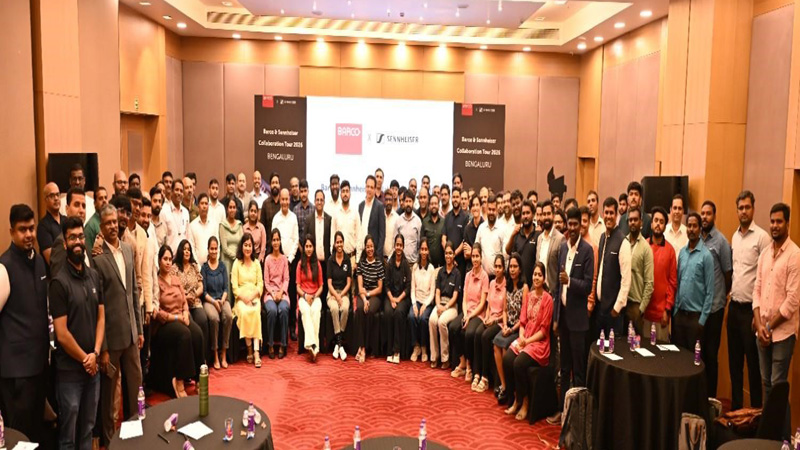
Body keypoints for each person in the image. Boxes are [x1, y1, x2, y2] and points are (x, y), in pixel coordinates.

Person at [93, 204, 143, 445]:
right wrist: (102, 348)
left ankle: (134, 433)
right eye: (108, 223)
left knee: (135, 385)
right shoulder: (97, 259)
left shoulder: (128, 250)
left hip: (131, 334)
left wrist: (139, 329)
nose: (113, 226)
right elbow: (97, 307)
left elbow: (133, 292)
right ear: (101, 228)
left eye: (115, 221)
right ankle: (109, 440)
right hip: (111, 340)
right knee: (109, 393)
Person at [0, 205, 49, 441]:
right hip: (16, 373)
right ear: (11, 231)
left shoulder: (39, 261)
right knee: (19, 436)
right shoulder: (4, 267)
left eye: (31, 228)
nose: (28, 234)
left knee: (36, 433)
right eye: (22, 229)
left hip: (39, 366)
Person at [753, 203, 799, 428]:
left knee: (778, 387)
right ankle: (768, 436)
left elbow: (792, 301)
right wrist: (759, 324)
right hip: (762, 331)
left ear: (787, 224)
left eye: (779, 221)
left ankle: (784, 439)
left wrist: (768, 327)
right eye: (772, 221)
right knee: (767, 385)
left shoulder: (795, 255)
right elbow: (756, 290)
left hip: (782, 335)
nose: (774, 225)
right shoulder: (764, 254)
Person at [548, 207, 594, 425]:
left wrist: (570, 281)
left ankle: (578, 417)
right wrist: (556, 318)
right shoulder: (564, 248)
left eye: (576, 224)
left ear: (581, 226)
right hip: (564, 319)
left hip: (578, 322)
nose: (573, 228)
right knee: (564, 368)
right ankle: (563, 411)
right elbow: (558, 287)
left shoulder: (587, 251)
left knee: (578, 370)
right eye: (570, 224)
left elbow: (587, 286)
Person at [728, 191, 770, 410]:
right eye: (740, 208)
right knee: (734, 365)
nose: (743, 211)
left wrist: (759, 314)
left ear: (753, 209)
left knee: (753, 367)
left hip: (751, 314)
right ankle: (736, 413)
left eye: (747, 207)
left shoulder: (762, 238)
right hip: (734, 308)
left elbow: (766, 277)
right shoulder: (734, 237)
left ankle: (754, 415)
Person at [503, 262, 554, 420]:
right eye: (534, 274)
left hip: (539, 343)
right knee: (507, 359)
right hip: (525, 338)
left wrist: (527, 341)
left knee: (518, 363)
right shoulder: (529, 296)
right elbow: (523, 322)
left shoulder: (548, 300)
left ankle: (524, 401)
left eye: (539, 275)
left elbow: (544, 332)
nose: (536, 278)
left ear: (544, 278)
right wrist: (522, 337)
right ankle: (515, 398)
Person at [151, 245, 204, 397]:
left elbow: (184, 301)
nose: (168, 262)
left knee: (197, 333)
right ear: (159, 261)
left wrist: (186, 313)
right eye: (165, 259)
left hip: (181, 317)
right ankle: (179, 381)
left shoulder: (175, 279)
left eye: (170, 259)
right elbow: (157, 312)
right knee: (185, 334)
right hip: (165, 323)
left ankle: (199, 379)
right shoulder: (157, 282)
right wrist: (177, 317)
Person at [700, 200, 732, 398]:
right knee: (699, 354)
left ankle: (710, 399)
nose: (704, 217)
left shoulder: (721, 242)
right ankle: (699, 396)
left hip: (714, 308)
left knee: (711, 356)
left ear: (714, 216)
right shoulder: (696, 239)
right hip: (698, 308)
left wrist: (721, 296)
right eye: (702, 213)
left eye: (708, 213)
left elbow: (728, 274)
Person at [673, 213, 714, 350]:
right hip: (680, 316)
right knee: (678, 356)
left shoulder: (706, 256)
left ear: (700, 229)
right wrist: (675, 311)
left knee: (692, 359)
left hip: (695, 318)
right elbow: (678, 282)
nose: (691, 229)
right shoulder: (682, 253)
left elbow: (710, 292)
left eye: (694, 226)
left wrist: (702, 320)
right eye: (689, 226)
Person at [493, 253, 527, 405]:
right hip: (508, 326)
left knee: (505, 347)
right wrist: (505, 325)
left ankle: (510, 389)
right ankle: (504, 385)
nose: (512, 269)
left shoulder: (524, 288)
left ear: (520, 269)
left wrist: (512, 329)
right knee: (496, 344)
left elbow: (524, 316)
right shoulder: (507, 286)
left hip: (519, 328)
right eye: (511, 266)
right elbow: (505, 311)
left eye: (515, 267)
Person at [595, 197, 631, 337]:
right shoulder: (602, 238)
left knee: (612, 349)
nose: (608, 216)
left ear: (616, 215)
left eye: (611, 213)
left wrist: (617, 308)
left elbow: (626, 280)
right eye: (606, 212)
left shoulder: (623, 242)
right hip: (600, 309)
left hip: (614, 312)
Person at [451, 245, 489, 381]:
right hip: (467, 311)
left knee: (468, 333)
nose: (475, 259)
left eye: (477, 256)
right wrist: (465, 314)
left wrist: (470, 316)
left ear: (481, 258)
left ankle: (469, 366)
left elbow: (483, 303)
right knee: (453, 327)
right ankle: (462, 362)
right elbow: (464, 298)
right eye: (473, 256)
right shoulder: (468, 275)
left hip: (478, 314)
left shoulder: (484, 277)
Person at [472, 254, 506, 393]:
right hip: (490, 318)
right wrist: (486, 317)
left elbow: (505, 313)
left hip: (499, 322)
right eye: (496, 266)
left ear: (504, 269)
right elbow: (488, 306)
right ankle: (477, 373)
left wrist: (494, 320)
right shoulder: (492, 283)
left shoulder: (506, 285)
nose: (497, 269)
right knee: (477, 333)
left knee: (485, 337)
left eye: (500, 267)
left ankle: (485, 378)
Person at [171, 240, 208, 366]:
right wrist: (185, 297)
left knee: (203, 320)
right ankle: (191, 363)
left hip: (195, 301)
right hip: (182, 305)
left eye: (189, 249)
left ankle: (203, 359)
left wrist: (194, 295)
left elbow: (201, 286)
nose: (187, 252)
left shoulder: (194, 266)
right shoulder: (174, 268)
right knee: (190, 325)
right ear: (180, 251)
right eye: (184, 249)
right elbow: (173, 288)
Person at [230, 233, 264, 367]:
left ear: (253, 247)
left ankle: (255, 352)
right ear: (241, 246)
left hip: (254, 297)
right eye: (245, 245)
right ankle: (248, 347)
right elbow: (234, 287)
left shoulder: (256, 263)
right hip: (241, 298)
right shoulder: (236, 263)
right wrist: (244, 298)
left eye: (250, 245)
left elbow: (260, 284)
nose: (248, 248)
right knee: (244, 313)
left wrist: (252, 297)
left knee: (255, 312)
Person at [644, 207, 677, 343]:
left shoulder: (670, 251)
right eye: (656, 220)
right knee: (643, 351)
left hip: (661, 314)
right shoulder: (644, 246)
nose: (658, 224)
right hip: (644, 313)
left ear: (665, 226)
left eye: (661, 222)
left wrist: (667, 310)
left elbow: (672, 283)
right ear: (651, 223)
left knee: (661, 353)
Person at [429, 242, 462, 369]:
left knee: (441, 322)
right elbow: (437, 292)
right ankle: (434, 356)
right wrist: (438, 306)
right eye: (446, 253)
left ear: (454, 255)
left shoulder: (457, 273)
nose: (448, 256)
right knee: (432, 320)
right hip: (440, 303)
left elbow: (455, 296)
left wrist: (445, 307)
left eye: (450, 253)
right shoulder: (441, 272)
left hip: (451, 306)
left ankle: (445, 358)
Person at [201, 236, 232, 370]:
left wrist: (222, 300)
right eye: (211, 249)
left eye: (215, 249)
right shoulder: (204, 268)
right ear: (208, 250)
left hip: (222, 299)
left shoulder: (222, 266)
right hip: (209, 301)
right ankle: (215, 354)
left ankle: (223, 352)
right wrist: (214, 302)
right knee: (214, 318)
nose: (214, 251)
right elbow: (204, 292)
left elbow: (226, 288)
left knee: (228, 316)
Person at [273, 188, 300, 341]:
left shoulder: (293, 217)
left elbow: (296, 239)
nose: (284, 202)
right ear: (280, 201)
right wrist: (282, 258)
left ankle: (291, 326)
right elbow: (274, 239)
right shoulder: (276, 218)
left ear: (289, 200)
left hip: (291, 261)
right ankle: (280, 328)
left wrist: (289, 258)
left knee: (291, 293)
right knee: (280, 291)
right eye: (282, 199)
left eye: (286, 199)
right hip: (278, 260)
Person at [353, 235, 384, 363]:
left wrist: (369, 295)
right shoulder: (361, 264)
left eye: (371, 246)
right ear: (365, 248)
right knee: (360, 309)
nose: (370, 249)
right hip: (363, 295)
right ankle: (361, 347)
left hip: (375, 295)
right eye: (367, 247)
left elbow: (380, 288)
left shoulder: (379, 264)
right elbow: (360, 287)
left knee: (370, 311)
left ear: (374, 247)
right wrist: (365, 299)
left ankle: (363, 347)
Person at [625, 208, 654, 335]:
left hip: (636, 306)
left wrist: (641, 309)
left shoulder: (646, 248)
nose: (632, 222)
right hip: (622, 303)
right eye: (630, 220)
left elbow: (649, 283)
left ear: (641, 222)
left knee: (635, 344)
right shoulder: (623, 243)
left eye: (635, 219)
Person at [383, 234, 411, 364]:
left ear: (403, 247)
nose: (398, 247)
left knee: (399, 313)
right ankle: (389, 350)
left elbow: (408, 287)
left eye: (400, 245)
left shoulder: (406, 264)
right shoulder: (389, 264)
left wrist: (398, 299)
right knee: (388, 313)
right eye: (397, 245)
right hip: (390, 297)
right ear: (394, 246)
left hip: (402, 298)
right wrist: (392, 299)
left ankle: (397, 350)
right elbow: (386, 285)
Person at [263, 229, 290, 359]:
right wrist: (273, 294)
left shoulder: (284, 259)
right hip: (270, 293)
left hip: (282, 292)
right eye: (273, 240)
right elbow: (266, 282)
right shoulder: (267, 259)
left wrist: (280, 292)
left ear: (280, 241)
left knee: (284, 309)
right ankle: (270, 344)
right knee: (272, 311)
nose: (275, 242)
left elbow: (286, 279)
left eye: (277, 240)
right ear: (271, 242)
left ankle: (283, 345)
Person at [297, 236, 323, 361]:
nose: (308, 249)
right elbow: (297, 286)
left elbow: (321, 286)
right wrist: (305, 296)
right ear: (304, 248)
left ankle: (311, 346)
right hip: (303, 296)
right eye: (306, 246)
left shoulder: (317, 264)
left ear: (313, 248)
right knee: (306, 311)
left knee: (315, 312)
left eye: (310, 246)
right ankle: (314, 346)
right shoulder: (300, 264)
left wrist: (314, 296)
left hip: (315, 296)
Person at [50, 188, 88, 277]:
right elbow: (58, 279)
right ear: (67, 209)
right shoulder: (61, 242)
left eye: (83, 206)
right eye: (77, 205)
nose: (81, 210)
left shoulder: (85, 240)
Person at [409, 239, 436, 362]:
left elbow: (432, 292)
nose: (424, 252)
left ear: (428, 251)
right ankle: (416, 347)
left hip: (427, 302)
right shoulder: (415, 267)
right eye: (422, 249)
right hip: (417, 300)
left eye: (426, 249)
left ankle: (424, 347)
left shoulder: (431, 268)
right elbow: (412, 289)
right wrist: (414, 304)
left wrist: (425, 305)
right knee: (411, 316)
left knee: (424, 318)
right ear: (419, 251)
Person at [327, 232, 351, 361]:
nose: (339, 244)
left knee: (345, 308)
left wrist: (341, 295)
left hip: (344, 293)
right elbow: (329, 284)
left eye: (341, 242)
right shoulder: (330, 260)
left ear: (343, 243)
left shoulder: (347, 260)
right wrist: (336, 296)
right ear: (334, 244)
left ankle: (337, 343)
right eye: (337, 242)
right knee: (335, 308)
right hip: (332, 293)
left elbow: (349, 283)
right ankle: (340, 342)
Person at [306, 189, 332, 303]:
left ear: (324, 202)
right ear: (314, 201)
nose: (319, 202)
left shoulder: (329, 219)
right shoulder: (309, 220)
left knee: (325, 290)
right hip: (313, 262)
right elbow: (305, 241)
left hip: (326, 262)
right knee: (315, 291)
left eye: (321, 200)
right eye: (317, 200)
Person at [536, 200, 564, 300]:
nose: (546, 217)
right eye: (544, 214)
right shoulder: (539, 238)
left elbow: (561, 269)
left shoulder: (560, 239)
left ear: (553, 215)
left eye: (548, 214)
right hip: (539, 291)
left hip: (553, 293)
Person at [506, 200, 538, 287]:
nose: (525, 216)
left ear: (533, 214)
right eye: (523, 213)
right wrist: (512, 235)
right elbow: (508, 251)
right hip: (519, 286)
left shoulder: (538, 235)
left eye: (528, 213)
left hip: (533, 285)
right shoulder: (517, 234)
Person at [332, 180, 362, 265]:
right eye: (343, 191)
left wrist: (357, 260)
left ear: (350, 193)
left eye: (347, 191)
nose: (345, 194)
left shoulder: (355, 213)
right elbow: (332, 236)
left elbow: (359, 237)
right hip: (338, 258)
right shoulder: (336, 213)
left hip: (351, 258)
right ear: (340, 194)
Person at [218, 197, 243, 300]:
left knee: (238, 285)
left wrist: (239, 257)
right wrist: (236, 256)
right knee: (228, 286)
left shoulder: (239, 225)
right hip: (226, 261)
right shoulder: (222, 225)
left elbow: (242, 244)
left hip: (238, 261)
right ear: (227, 209)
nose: (232, 210)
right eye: (230, 207)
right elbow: (224, 248)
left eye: (234, 207)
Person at [444, 186, 469, 277]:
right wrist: (449, 255)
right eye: (453, 197)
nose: (455, 199)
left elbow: (464, 240)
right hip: (448, 262)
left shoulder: (465, 217)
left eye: (457, 197)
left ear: (460, 199)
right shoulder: (447, 217)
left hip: (460, 263)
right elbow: (443, 238)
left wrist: (453, 255)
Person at [38, 182, 65, 266]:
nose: (56, 198)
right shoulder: (43, 226)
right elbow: (51, 259)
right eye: (52, 196)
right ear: (46, 200)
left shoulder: (66, 220)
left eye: (57, 195)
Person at [359, 175, 386, 259]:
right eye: (367, 186)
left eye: (371, 187)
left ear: (375, 189)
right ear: (365, 187)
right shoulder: (360, 206)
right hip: (362, 254)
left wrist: (377, 255)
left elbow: (382, 234)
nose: (369, 189)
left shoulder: (379, 207)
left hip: (374, 255)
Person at [188, 193, 217, 265]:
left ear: (208, 206)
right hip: (197, 266)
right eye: (202, 203)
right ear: (198, 206)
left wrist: (213, 264)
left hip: (212, 266)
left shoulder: (214, 224)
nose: (204, 206)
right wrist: (198, 267)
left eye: (206, 204)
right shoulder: (192, 226)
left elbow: (217, 246)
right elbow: (192, 248)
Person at [395, 190, 422, 264]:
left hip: (414, 263)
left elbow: (419, 244)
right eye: (406, 201)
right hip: (400, 263)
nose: (408, 204)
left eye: (410, 201)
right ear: (403, 202)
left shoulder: (418, 221)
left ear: (413, 202)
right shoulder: (398, 221)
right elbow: (395, 243)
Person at [421, 194, 445, 268]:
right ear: (429, 206)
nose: (433, 206)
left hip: (441, 265)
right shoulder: (424, 222)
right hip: (428, 265)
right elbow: (422, 243)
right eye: (431, 204)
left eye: (435, 203)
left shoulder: (444, 222)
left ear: (439, 206)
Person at [463, 195, 483, 273]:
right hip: (470, 269)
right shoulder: (467, 229)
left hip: (482, 269)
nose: (475, 208)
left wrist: (471, 251)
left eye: (477, 205)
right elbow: (466, 255)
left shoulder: (485, 227)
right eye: (473, 205)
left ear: (481, 207)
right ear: (471, 209)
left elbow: (485, 253)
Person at [243, 200, 267, 264]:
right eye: (251, 211)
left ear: (257, 213)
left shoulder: (261, 227)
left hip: (258, 258)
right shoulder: (244, 228)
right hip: (246, 258)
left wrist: (258, 262)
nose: (253, 213)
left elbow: (263, 248)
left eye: (255, 211)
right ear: (248, 212)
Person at [85, 187, 108, 252]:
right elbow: (88, 251)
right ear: (95, 203)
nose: (104, 201)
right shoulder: (90, 225)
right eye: (101, 198)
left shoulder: (110, 221)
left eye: (105, 198)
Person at [293, 180, 313, 247]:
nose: (303, 194)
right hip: (298, 248)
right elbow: (294, 233)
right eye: (301, 191)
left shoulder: (314, 209)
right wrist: (301, 248)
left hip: (311, 248)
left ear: (308, 191)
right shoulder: (295, 210)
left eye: (305, 191)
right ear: (299, 193)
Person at [383, 190, 399, 259]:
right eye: (386, 200)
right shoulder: (380, 215)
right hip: (381, 256)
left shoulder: (397, 218)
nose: (388, 202)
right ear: (384, 201)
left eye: (390, 200)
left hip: (392, 257)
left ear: (393, 201)